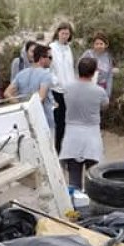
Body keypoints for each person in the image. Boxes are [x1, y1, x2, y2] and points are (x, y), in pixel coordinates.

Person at [59, 56, 108, 189]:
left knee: (74, 181)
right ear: (93, 72)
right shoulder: (99, 91)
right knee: (94, 179)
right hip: (91, 136)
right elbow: (105, 105)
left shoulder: (67, 87)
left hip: (72, 136)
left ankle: (75, 207)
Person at [5, 44, 55, 132]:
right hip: (44, 120)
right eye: (50, 57)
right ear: (42, 58)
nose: (51, 60)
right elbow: (41, 98)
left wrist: (21, 106)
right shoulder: (46, 75)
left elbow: (7, 93)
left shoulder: (22, 74)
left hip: (25, 120)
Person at [48, 22, 76, 151]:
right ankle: (58, 149)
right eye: (62, 33)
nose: (65, 36)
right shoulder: (51, 48)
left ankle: (68, 148)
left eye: (67, 33)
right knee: (59, 122)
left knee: (69, 121)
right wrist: (56, 82)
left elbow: (70, 69)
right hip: (57, 91)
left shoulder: (68, 48)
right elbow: (49, 68)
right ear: (58, 33)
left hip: (69, 91)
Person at [80, 32, 115, 101]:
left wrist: (108, 94)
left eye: (101, 44)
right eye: (97, 44)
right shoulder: (88, 54)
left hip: (102, 91)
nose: (99, 46)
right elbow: (79, 69)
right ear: (93, 44)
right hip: (88, 90)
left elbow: (110, 76)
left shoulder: (108, 57)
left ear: (105, 45)